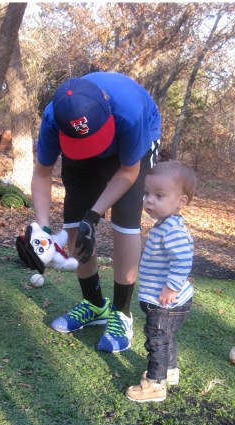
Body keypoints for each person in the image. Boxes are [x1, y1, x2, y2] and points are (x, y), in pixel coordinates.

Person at [29, 72, 162, 353]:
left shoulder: (129, 111)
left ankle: (122, 313)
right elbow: (41, 174)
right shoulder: (55, 118)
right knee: (74, 222)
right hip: (78, 151)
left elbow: (128, 171)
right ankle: (94, 305)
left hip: (131, 147)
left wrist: (96, 214)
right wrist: (43, 230)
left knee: (125, 223)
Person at [125, 160, 196, 403]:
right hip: (167, 299)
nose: (149, 200)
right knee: (167, 336)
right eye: (147, 194)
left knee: (157, 339)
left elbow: (183, 259)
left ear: (181, 202)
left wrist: (171, 287)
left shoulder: (171, 229)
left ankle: (155, 384)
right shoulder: (167, 224)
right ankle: (170, 371)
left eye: (159, 195)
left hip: (166, 300)